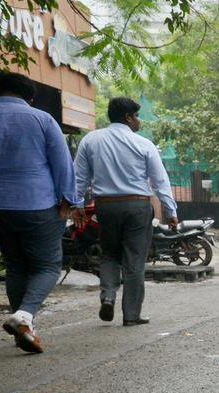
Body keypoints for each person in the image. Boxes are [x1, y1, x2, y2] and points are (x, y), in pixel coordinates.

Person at [0, 72, 78, 353]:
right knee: (47, 265)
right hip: (37, 205)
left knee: (16, 265)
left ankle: (24, 330)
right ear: (29, 97)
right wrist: (69, 201)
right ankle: (25, 315)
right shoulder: (43, 119)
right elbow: (63, 164)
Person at [73, 97, 178, 326]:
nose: (139, 121)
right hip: (137, 206)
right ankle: (131, 315)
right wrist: (171, 212)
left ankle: (108, 296)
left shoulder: (90, 140)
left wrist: (78, 206)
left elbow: (79, 178)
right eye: (137, 116)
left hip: (106, 206)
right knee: (134, 260)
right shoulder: (143, 144)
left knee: (109, 254)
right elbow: (160, 181)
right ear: (128, 118)